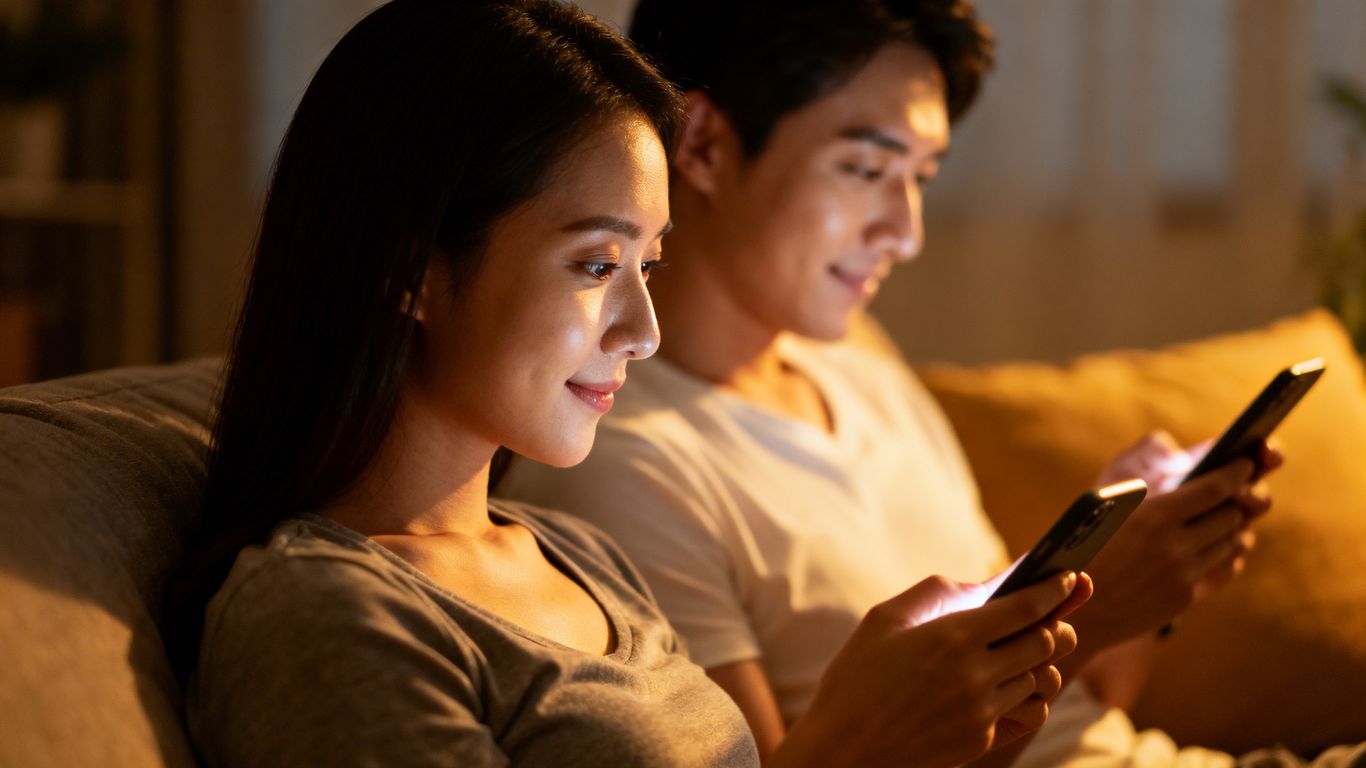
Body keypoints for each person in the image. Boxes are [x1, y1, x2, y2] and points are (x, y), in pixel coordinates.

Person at [166, 1, 1092, 766]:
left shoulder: (579, 557)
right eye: (597, 267)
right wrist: (850, 746)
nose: (643, 332)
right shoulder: (324, 615)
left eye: (650, 264)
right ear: (411, 269)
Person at [496, 1, 1366, 766]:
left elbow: (1075, 721)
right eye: (868, 170)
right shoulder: (623, 467)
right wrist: (1086, 616)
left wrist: (1136, 589)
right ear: (706, 143)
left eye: (921, 177)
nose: (904, 233)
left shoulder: (859, 363)